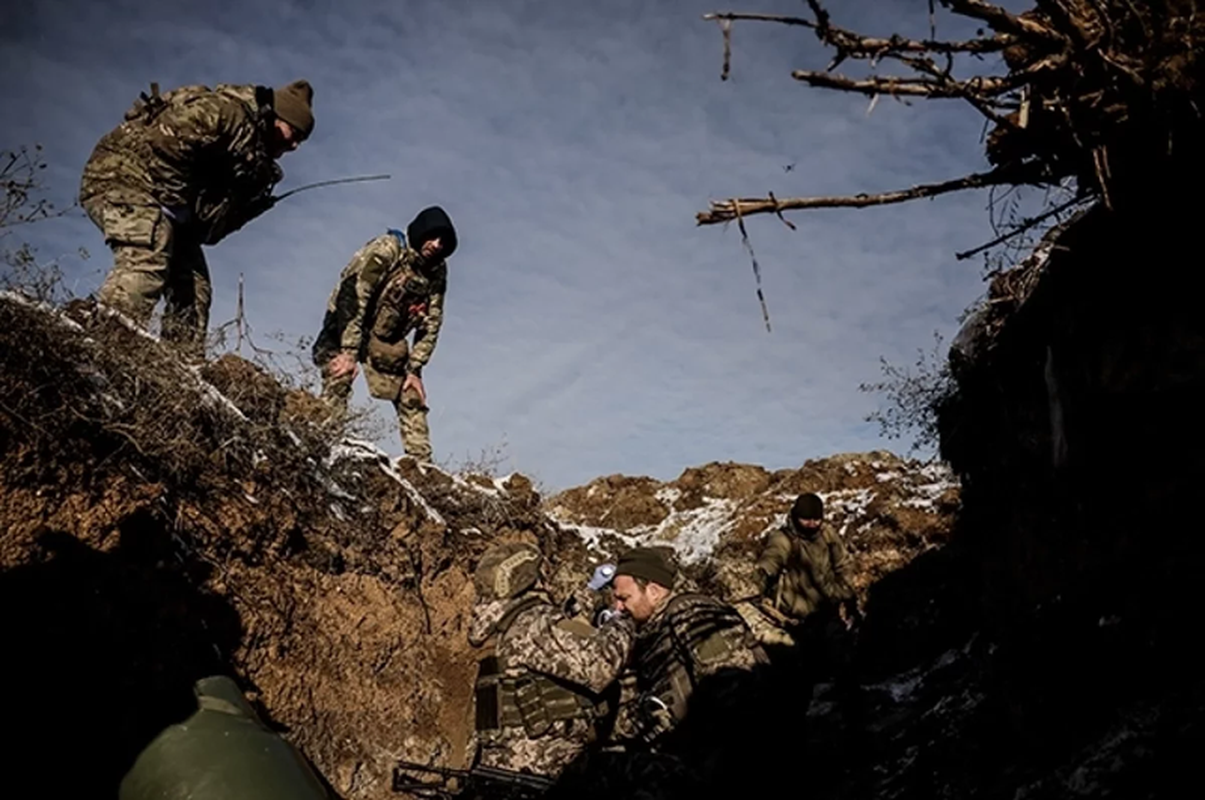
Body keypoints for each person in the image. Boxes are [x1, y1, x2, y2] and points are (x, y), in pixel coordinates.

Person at [79, 79, 313, 352]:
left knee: (194, 289)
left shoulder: (253, 156)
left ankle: (178, 368)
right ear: (276, 117)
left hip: (165, 205)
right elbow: (165, 139)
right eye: (293, 133)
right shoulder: (226, 113)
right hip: (121, 176)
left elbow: (209, 233)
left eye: (302, 140)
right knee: (149, 257)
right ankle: (101, 345)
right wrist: (176, 201)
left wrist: (248, 206)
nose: (295, 145)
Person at [467, 543, 635, 778]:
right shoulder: (533, 624)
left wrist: (590, 591)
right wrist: (622, 619)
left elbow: (560, 635)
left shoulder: (501, 627)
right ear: (530, 578)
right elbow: (602, 666)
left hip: (505, 764)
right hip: (543, 766)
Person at [312, 206, 457, 462]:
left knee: (411, 394)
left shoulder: (435, 274)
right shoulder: (388, 250)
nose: (436, 245)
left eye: (442, 243)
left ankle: (422, 470)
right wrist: (348, 351)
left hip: (384, 338)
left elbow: (432, 322)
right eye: (432, 237)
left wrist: (415, 369)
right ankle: (325, 447)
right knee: (340, 374)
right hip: (345, 325)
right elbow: (354, 295)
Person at [606, 547, 767, 746]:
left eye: (624, 598)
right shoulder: (652, 630)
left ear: (654, 592)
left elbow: (736, 691)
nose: (618, 608)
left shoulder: (691, 614)